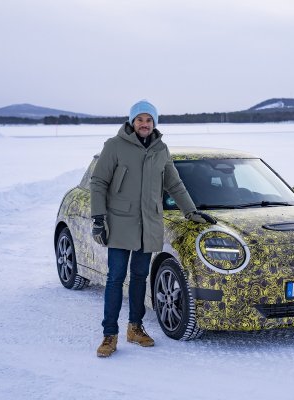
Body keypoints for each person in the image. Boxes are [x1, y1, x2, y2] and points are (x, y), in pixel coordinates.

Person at [90, 100, 216, 358]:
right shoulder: (114, 146)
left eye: (149, 120)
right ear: (132, 122)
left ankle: (135, 328)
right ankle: (109, 335)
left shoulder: (161, 149)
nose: (144, 124)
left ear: (154, 123)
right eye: (140, 120)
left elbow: (175, 184)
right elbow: (98, 182)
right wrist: (98, 218)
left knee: (139, 278)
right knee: (115, 278)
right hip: (120, 223)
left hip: (149, 224)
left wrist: (190, 211)